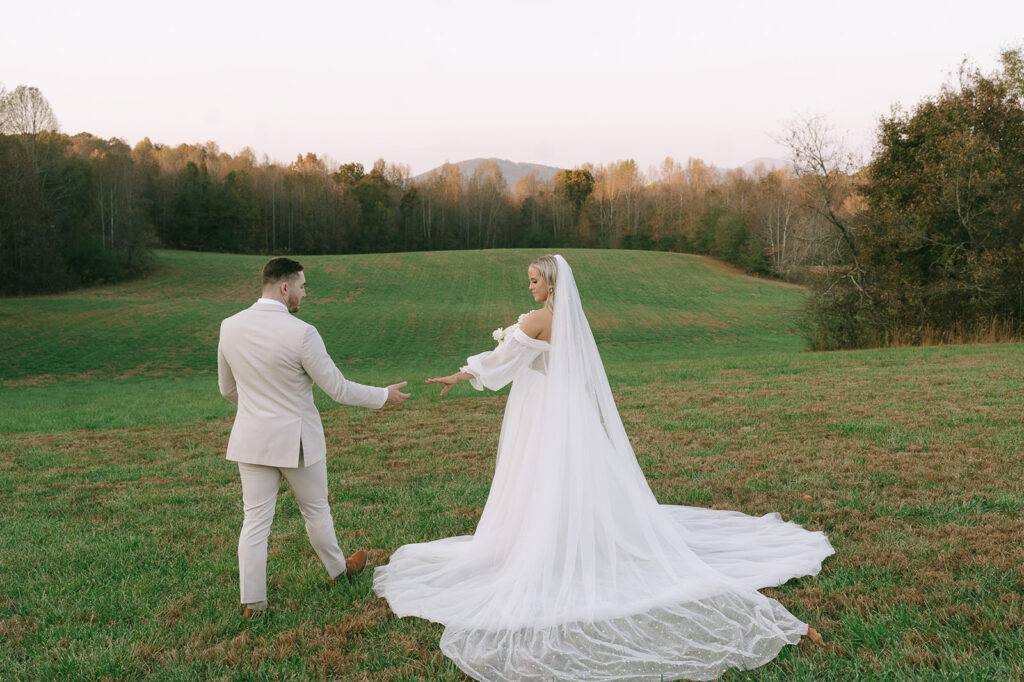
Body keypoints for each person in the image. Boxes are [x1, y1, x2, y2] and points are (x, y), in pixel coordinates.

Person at [373, 254, 833, 681]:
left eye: (534, 280)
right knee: (570, 476)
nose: (529, 287)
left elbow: (502, 362)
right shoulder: (569, 321)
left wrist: (461, 373)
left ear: (550, 283)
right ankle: (573, 533)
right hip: (567, 409)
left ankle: (547, 543)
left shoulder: (536, 320)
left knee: (539, 475)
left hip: (541, 414)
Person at [218, 257, 409, 619]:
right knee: (316, 510)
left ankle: (253, 604)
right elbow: (337, 389)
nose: (305, 293)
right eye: (302, 286)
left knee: (255, 522)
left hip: (252, 438)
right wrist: (384, 395)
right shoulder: (301, 332)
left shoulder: (229, 327)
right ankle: (339, 573)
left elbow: (227, 388)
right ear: (284, 287)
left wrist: (259, 411)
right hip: (297, 441)